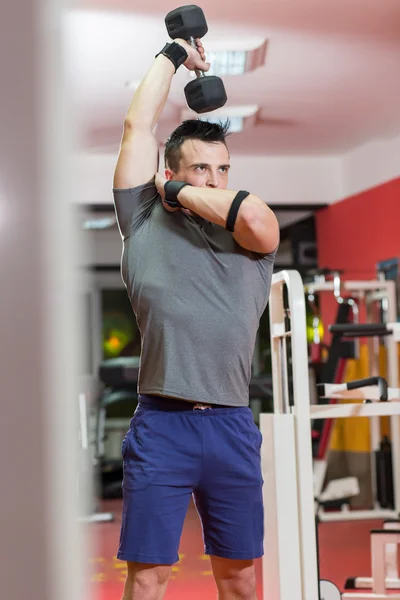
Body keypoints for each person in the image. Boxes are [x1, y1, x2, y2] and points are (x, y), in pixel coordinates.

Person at [112, 33, 280, 600]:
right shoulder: (141, 220)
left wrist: (181, 190)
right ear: (169, 168)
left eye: (222, 169)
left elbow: (255, 213)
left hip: (232, 424)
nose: (215, 179)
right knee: (151, 576)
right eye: (199, 168)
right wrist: (172, 56)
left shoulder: (252, 236)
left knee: (240, 578)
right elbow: (138, 129)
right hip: (162, 423)